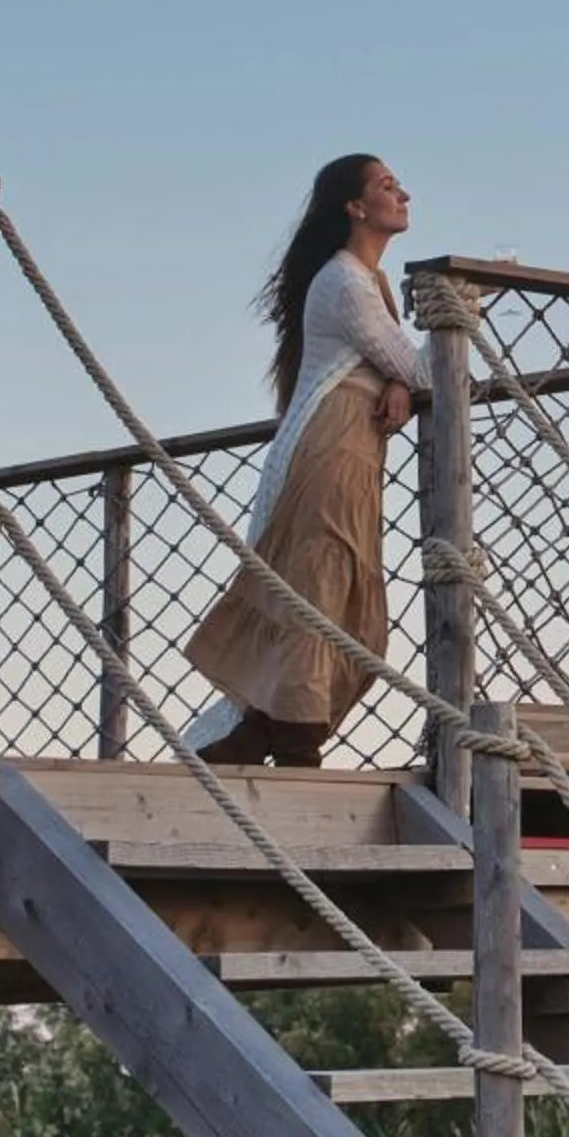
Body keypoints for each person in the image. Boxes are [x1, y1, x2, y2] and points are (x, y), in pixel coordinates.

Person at [182, 154, 424, 766]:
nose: (404, 194)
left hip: (353, 444)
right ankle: (293, 737)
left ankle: (263, 731)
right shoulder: (344, 282)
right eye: (387, 186)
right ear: (354, 205)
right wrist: (461, 321)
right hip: (334, 440)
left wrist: (401, 386)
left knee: (334, 590)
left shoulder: (371, 284)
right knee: (320, 582)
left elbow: (401, 369)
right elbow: (423, 368)